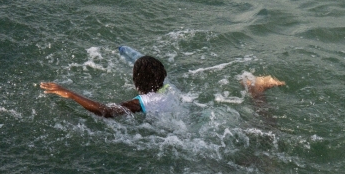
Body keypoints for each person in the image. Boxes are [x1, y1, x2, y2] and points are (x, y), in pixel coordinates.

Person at [40, 55, 285, 118]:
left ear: (136, 82)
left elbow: (106, 111)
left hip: (190, 133)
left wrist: (70, 93)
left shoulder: (145, 103)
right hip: (198, 114)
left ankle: (257, 90)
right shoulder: (166, 87)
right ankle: (256, 90)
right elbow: (155, 72)